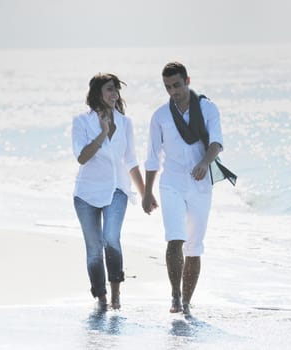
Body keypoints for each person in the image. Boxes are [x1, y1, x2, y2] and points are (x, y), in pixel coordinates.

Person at [142, 62, 223, 315]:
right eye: (167, 87)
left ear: (187, 80)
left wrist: (204, 162)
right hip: (172, 183)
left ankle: (186, 302)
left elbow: (217, 143)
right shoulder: (160, 116)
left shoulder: (207, 108)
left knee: (195, 246)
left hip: (200, 184)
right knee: (175, 238)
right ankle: (175, 295)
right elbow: (153, 157)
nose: (173, 91)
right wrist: (147, 192)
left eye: (176, 85)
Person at [72, 73, 147, 310]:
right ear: (97, 94)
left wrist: (145, 193)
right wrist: (102, 133)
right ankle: (101, 298)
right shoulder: (82, 122)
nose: (114, 94)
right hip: (86, 194)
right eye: (109, 90)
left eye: (116, 90)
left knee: (111, 238)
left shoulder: (125, 123)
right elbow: (82, 158)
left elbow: (131, 160)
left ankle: (116, 295)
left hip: (117, 189)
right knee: (94, 249)